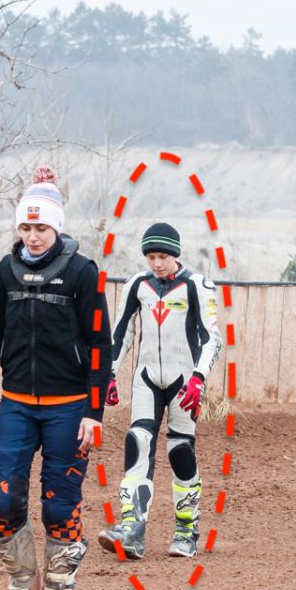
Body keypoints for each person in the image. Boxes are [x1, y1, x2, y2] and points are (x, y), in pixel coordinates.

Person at [0, 167, 113, 590]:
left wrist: (94, 413)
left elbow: (100, 347)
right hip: (15, 404)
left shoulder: (81, 272)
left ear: (57, 228)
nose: (33, 237)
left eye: (42, 228)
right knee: (0, 499)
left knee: (59, 505)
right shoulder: (4, 273)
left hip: (69, 407)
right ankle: (21, 584)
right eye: (26, 228)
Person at [96, 222, 220, 561]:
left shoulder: (197, 285)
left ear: (175, 255)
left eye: (162, 256)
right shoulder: (137, 284)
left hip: (184, 382)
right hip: (146, 377)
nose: (156, 263)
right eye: (151, 256)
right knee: (137, 442)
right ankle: (132, 529)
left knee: (179, 449)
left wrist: (198, 378)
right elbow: (121, 333)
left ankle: (185, 530)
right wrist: (108, 373)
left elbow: (212, 339)